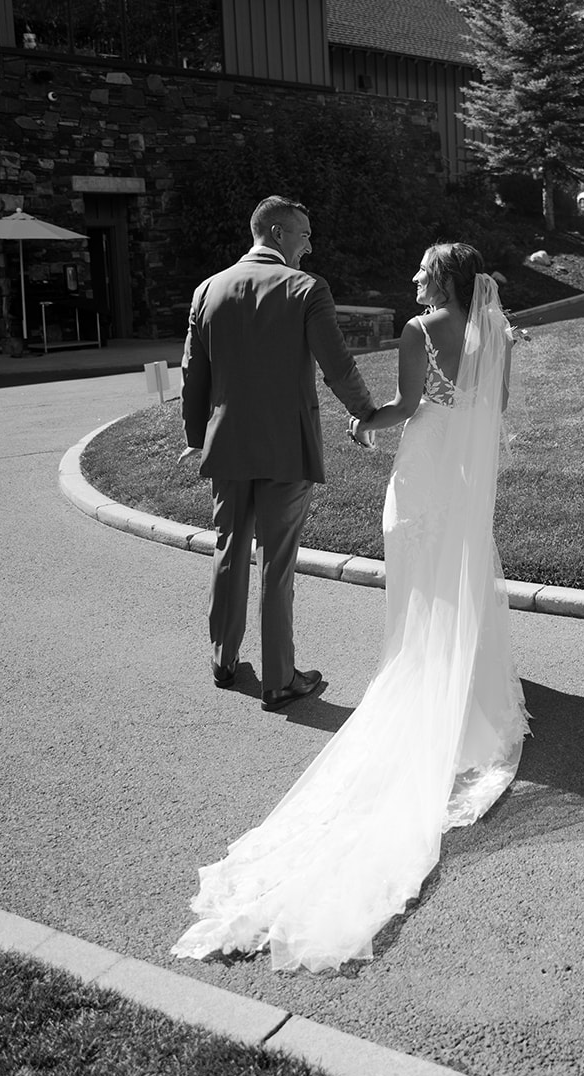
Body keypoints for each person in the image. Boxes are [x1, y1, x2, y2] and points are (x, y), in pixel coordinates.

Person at [171, 242, 528, 973]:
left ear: (443, 279)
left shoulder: (419, 330)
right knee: (461, 566)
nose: (412, 276)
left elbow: (404, 405)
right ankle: (467, 681)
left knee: (420, 573)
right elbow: (496, 404)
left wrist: (367, 425)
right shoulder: (494, 330)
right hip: (467, 468)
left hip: (426, 466)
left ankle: (423, 673)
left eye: (422, 269)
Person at [179, 194, 375, 711]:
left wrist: (195, 437)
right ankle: (279, 679)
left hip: (227, 444)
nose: (311, 244)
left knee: (229, 549)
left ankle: (223, 659)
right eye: (305, 234)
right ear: (278, 233)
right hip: (285, 446)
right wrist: (366, 411)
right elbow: (337, 365)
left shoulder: (207, 289)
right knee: (277, 563)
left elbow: (193, 373)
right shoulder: (306, 289)